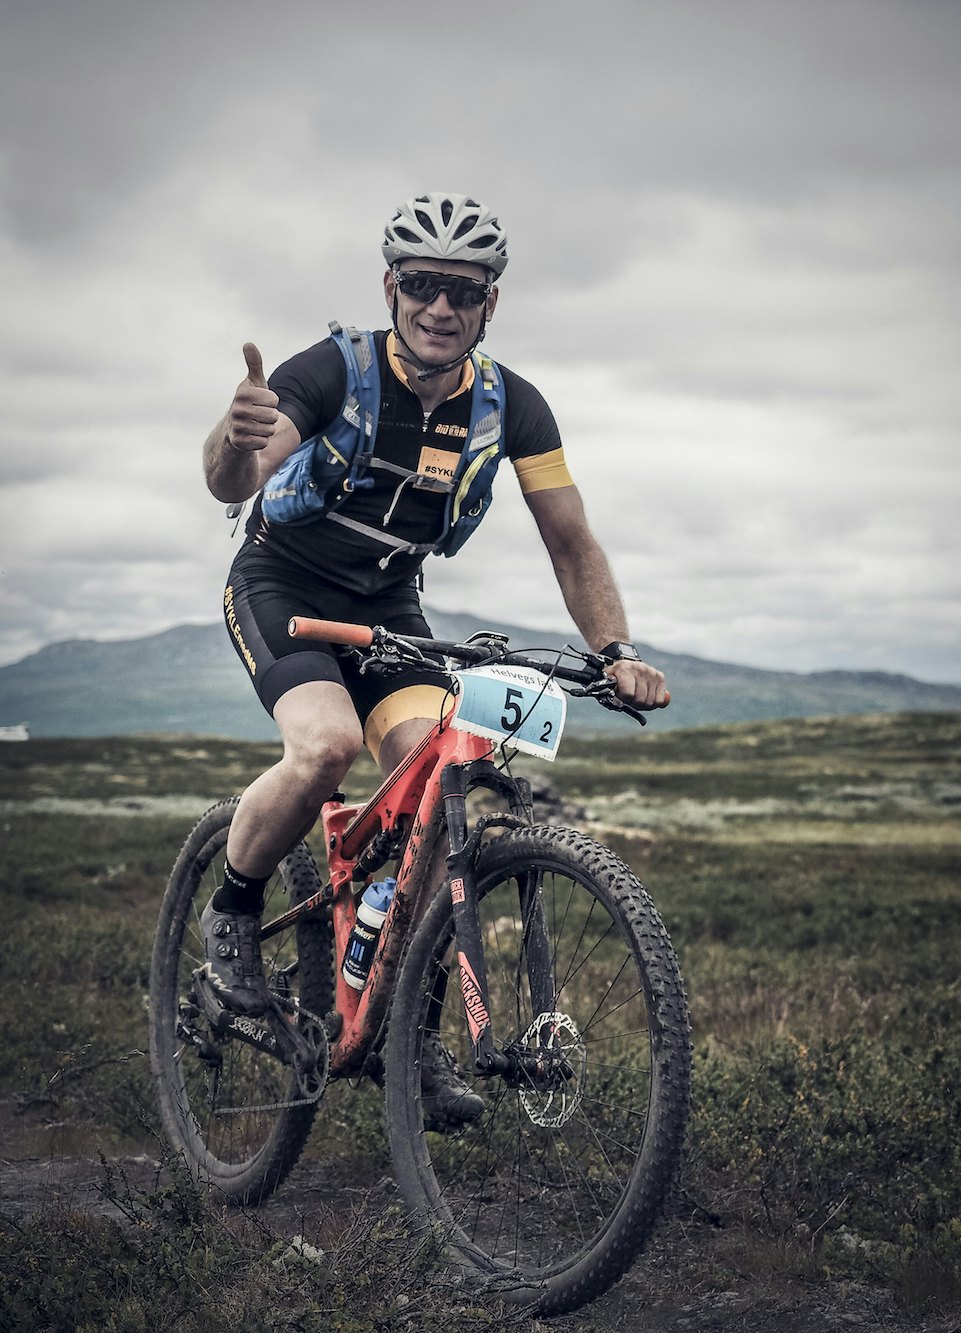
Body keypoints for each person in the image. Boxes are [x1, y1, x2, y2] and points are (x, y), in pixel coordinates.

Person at [200, 192, 668, 1118]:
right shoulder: (335, 370)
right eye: (421, 285)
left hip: (389, 607)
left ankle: (402, 1035)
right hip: (282, 588)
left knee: (434, 782)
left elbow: (571, 542)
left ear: (489, 302)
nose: (439, 307)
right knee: (325, 745)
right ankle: (232, 910)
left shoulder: (513, 407)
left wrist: (614, 648)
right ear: (391, 287)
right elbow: (238, 476)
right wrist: (231, 438)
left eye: (462, 290)